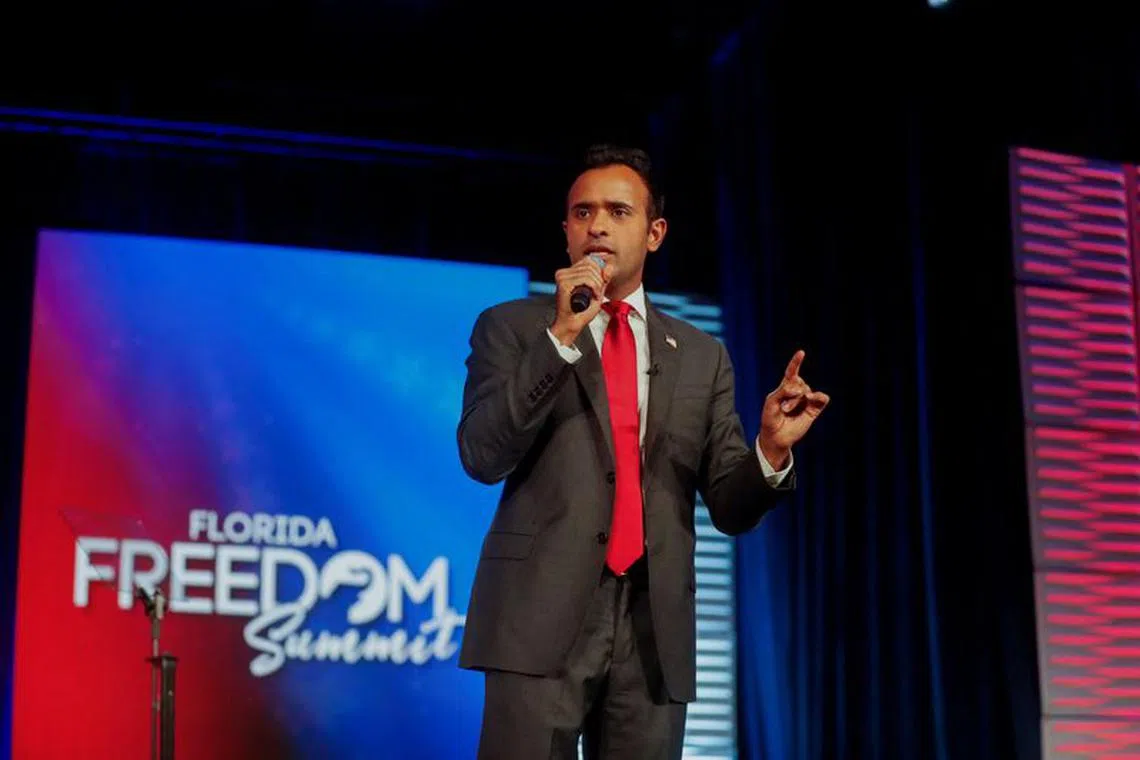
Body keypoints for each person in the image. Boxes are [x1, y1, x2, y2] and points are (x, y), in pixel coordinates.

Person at [456, 144, 829, 759]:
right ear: (566, 231)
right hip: (539, 620)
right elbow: (481, 454)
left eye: (617, 212)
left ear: (654, 233)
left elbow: (731, 506)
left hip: (653, 629)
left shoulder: (702, 355)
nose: (597, 225)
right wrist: (562, 337)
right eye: (582, 213)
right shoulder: (513, 328)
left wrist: (769, 450)